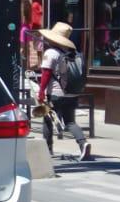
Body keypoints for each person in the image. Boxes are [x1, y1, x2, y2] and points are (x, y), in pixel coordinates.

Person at [37, 23, 92, 161]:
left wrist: (41, 92)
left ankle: (47, 149)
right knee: (70, 122)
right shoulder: (69, 54)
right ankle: (83, 143)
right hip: (71, 93)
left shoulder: (50, 53)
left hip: (55, 94)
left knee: (48, 120)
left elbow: (46, 74)